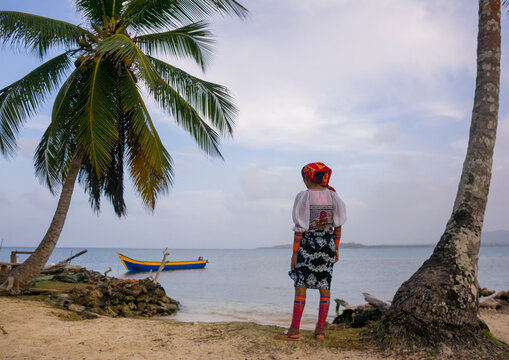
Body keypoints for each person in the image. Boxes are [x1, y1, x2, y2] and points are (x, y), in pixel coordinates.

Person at [274, 162, 346, 341]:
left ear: (307, 178)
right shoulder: (333, 196)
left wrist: (295, 253)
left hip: (308, 245)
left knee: (301, 286)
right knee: (325, 286)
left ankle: (294, 330)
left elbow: (300, 229)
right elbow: (338, 226)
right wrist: (336, 248)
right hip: (327, 245)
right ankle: (320, 331)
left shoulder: (304, 196)